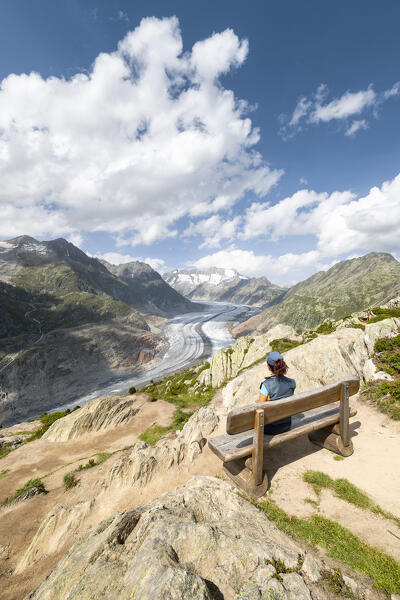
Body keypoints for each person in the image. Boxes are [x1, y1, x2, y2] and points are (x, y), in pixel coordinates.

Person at [258, 351, 296, 434]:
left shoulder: (266, 385)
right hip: (286, 425)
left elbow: (259, 407)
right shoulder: (292, 383)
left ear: (269, 366)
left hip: (271, 428)